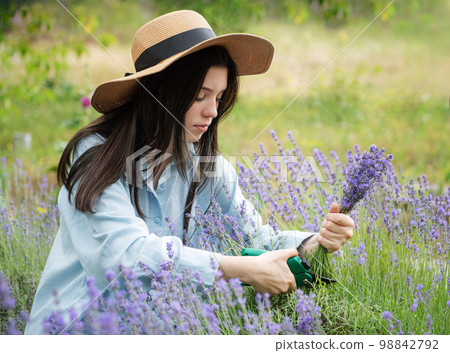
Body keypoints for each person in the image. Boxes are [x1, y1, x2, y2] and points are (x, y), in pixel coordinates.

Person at [25, 10, 354, 334]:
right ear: (161, 93)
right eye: (200, 96)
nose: (212, 111)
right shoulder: (98, 155)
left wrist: (314, 242)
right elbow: (123, 258)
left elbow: (256, 238)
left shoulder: (208, 168)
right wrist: (237, 269)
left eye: (219, 97)